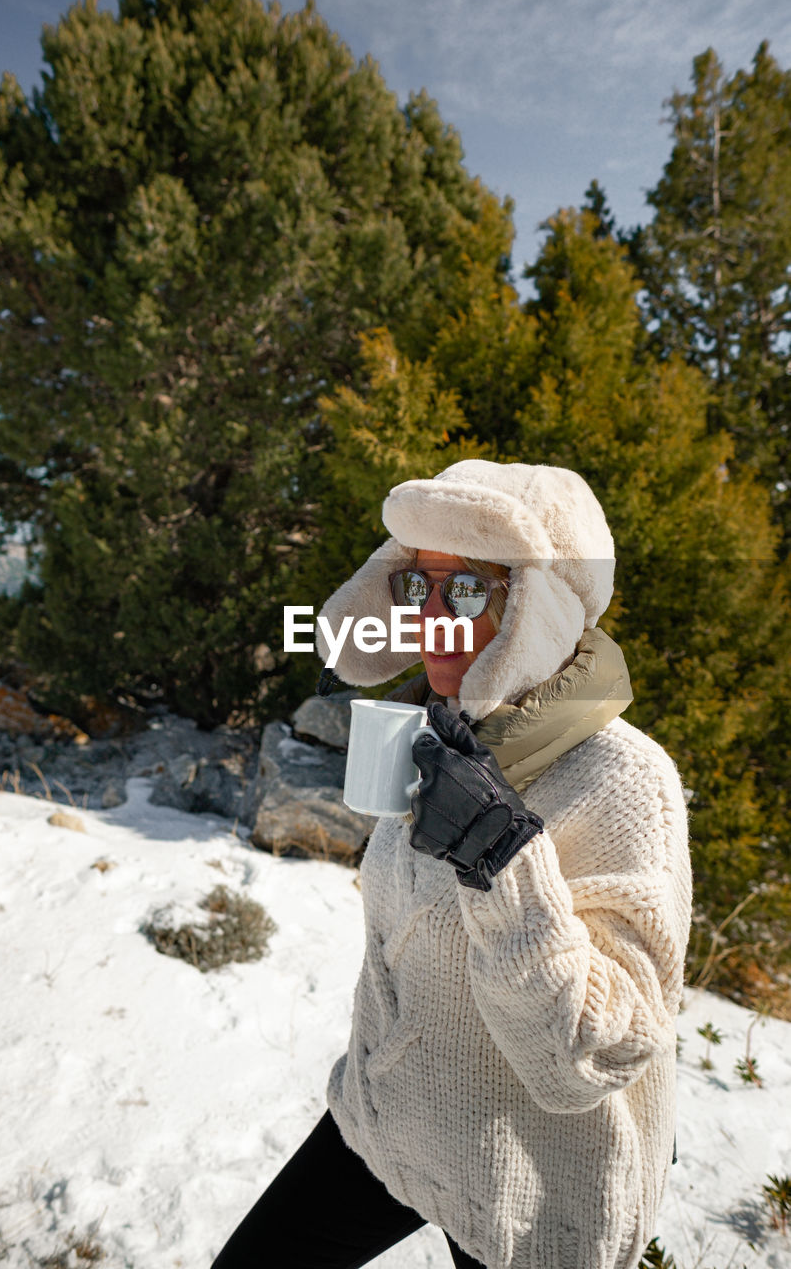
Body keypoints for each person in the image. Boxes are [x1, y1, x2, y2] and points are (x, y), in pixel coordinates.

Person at [212, 460, 692, 1269]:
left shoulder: (625, 780)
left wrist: (503, 859)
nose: (430, 619)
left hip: (532, 1194)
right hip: (384, 1129)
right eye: (415, 589)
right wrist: (365, 1077)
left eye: (466, 590)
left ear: (537, 610)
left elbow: (597, 1056)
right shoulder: (436, 734)